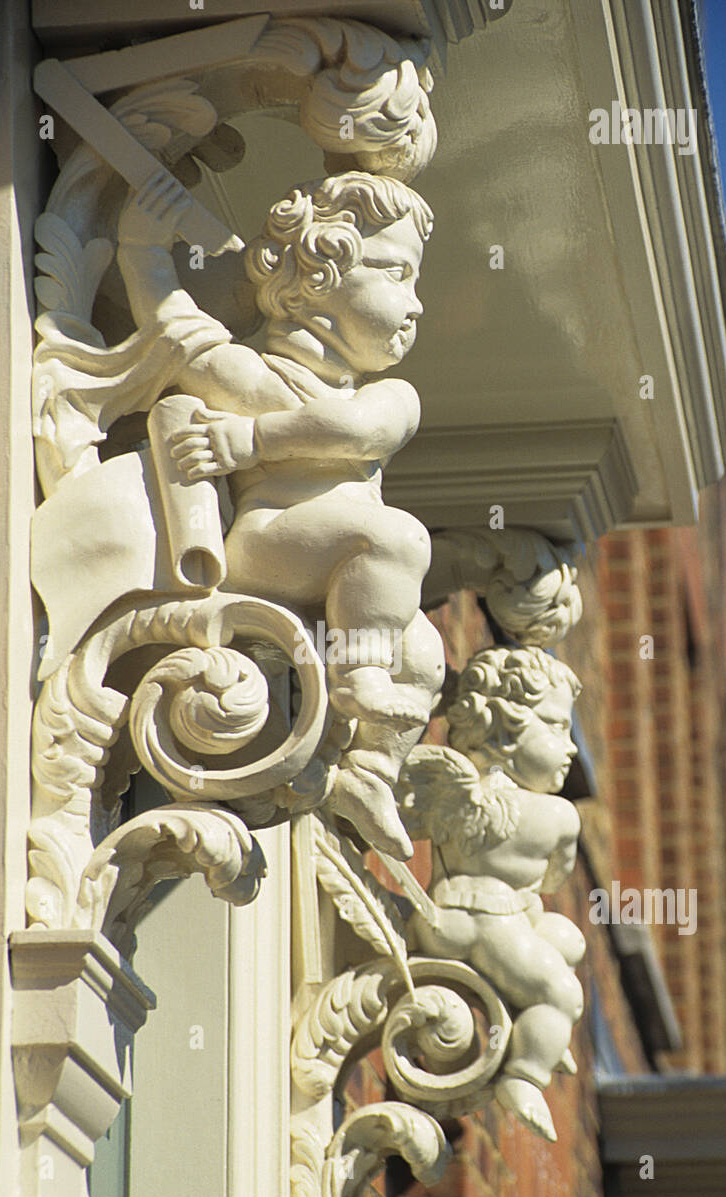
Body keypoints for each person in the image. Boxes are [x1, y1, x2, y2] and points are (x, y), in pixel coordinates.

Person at [117, 168, 445, 856]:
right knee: (394, 538)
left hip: (343, 569)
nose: (415, 305)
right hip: (265, 549)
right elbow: (172, 329)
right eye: (396, 275)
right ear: (318, 279)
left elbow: (362, 433)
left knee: (425, 648)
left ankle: (368, 772)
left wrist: (250, 438)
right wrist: (139, 242)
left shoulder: (392, 398)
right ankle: (357, 678)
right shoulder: (252, 375)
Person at [398, 646, 585, 1141]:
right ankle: (525, 1075)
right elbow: (554, 879)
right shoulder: (560, 816)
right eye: (557, 727)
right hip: (490, 917)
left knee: (568, 940)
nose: (571, 748)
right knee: (563, 991)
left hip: (453, 911)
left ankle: (537, 1028)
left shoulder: (463, 789)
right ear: (506, 728)